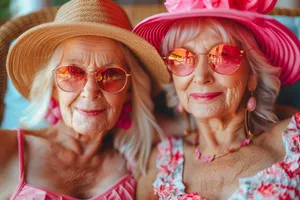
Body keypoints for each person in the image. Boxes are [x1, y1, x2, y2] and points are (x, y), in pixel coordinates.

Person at [0, 0, 170, 199]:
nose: (90, 91)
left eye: (110, 74)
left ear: (129, 92)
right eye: (73, 72)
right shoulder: (8, 148)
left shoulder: (143, 164)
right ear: (53, 86)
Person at [133, 0, 300, 199]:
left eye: (224, 55)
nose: (202, 76)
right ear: (173, 77)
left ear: (253, 76)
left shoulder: (291, 141)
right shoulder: (160, 164)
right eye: (182, 58)